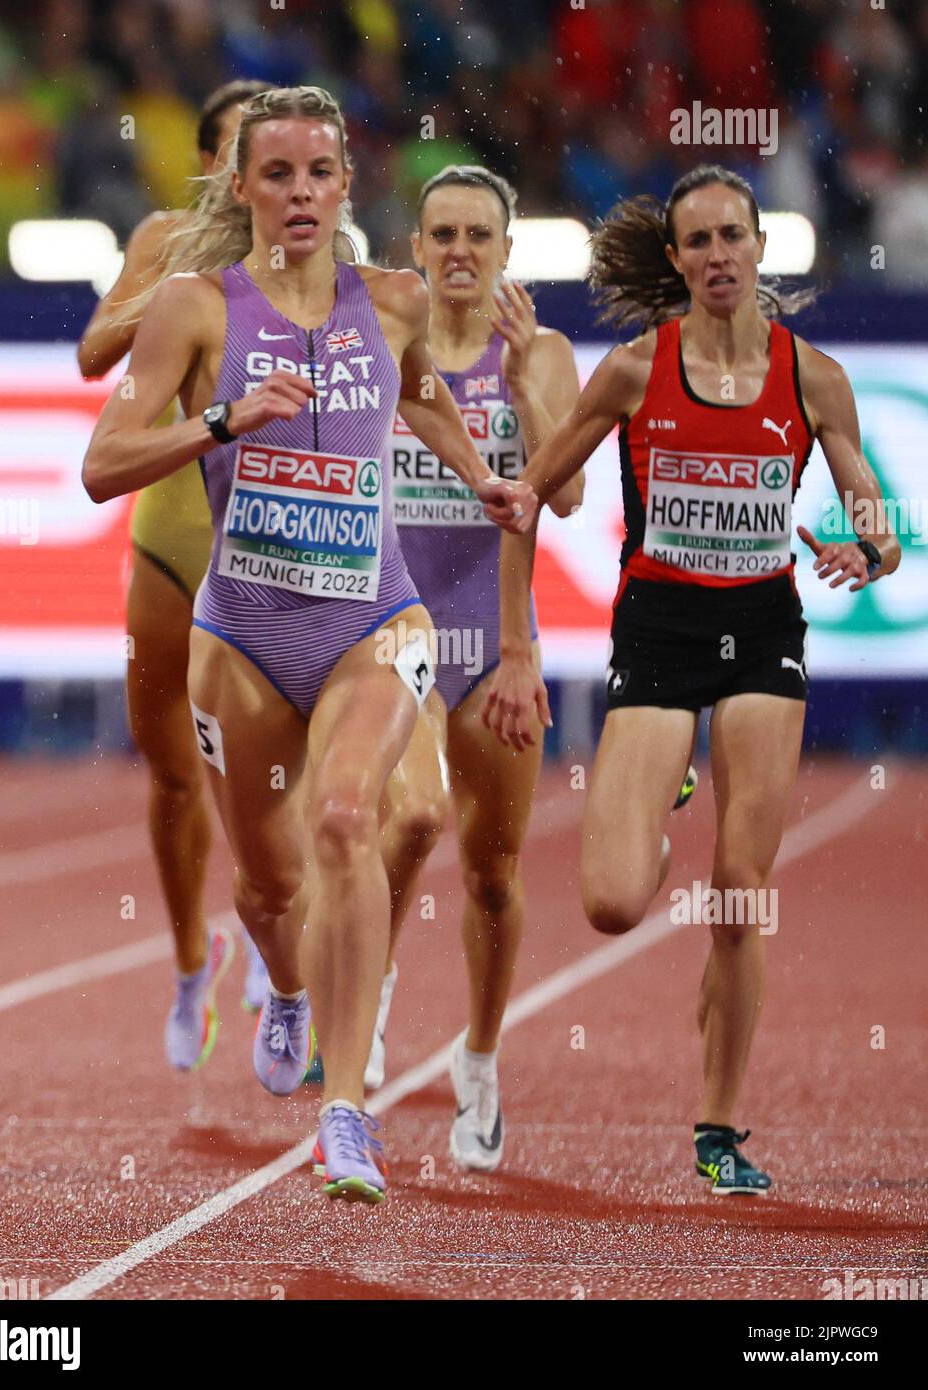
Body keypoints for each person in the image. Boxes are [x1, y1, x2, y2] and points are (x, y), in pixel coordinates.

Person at [81, 86, 536, 1204]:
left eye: (318, 174)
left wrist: (481, 474)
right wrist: (224, 422)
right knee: (271, 893)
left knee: (346, 818)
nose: (299, 194)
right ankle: (282, 989)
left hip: (370, 621)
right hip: (241, 631)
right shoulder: (196, 307)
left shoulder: (389, 301)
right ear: (241, 188)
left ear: (346, 186)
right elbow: (103, 462)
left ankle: (346, 1115)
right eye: (275, 174)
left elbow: (425, 395)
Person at [484, 165, 900, 1194]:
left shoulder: (815, 378)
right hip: (662, 631)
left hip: (763, 629)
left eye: (733, 236)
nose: (718, 255)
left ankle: (720, 1129)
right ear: (676, 262)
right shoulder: (632, 370)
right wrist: (516, 626)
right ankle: (662, 791)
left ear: (762, 249)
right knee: (617, 901)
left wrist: (869, 549)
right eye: (699, 242)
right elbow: (531, 498)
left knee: (741, 895)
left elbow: (880, 520)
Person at [365, 165, 583, 1171]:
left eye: (477, 237)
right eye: (441, 234)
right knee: (408, 821)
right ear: (414, 249)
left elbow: (567, 498)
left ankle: (481, 1063)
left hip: (495, 639)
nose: (458, 251)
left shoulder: (540, 356)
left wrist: (523, 381)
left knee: (493, 878)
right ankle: (366, 994)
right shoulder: (376, 346)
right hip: (393, 628)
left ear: (506, 253)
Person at [78, 80, 279, 1073]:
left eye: (291, 159)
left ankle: (271, 927)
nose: (273, 177)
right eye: (251, 152)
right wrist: (172, 293)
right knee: (171, 771)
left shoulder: (320, 252)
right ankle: (190, 963)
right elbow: (92, 353)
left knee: (264, 764)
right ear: (215, 163)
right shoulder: (164, 237)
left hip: (275, 539)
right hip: (173, 529)